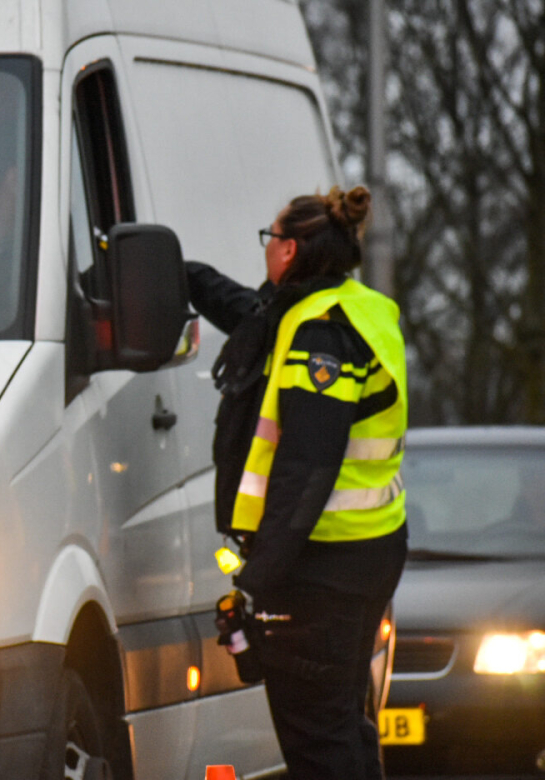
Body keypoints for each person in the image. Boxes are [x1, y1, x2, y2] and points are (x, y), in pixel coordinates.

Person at [186, 185, 408, 780]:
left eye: (271, 237)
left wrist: (256, 580)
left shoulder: (319, 333)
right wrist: (182, 275)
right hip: (363, 554)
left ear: (288, 249)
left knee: (319, 744)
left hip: (322, 568)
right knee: (343, 727)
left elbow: (308, 466)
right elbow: (251, 311)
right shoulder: (349, 308)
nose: (266, 249)